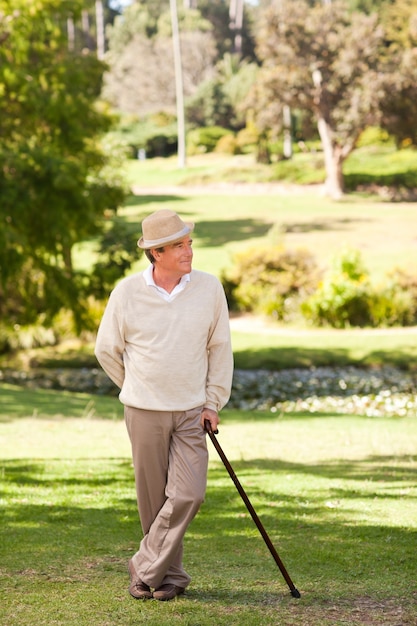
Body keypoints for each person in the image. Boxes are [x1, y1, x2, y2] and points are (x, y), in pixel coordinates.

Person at [95, 209, 233, 601]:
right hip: (143, 411)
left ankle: (142, 566)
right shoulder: (126, 293)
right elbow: (107, 350)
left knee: (189, 493)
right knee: (154, 501)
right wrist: (137, 388)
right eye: (179, 245)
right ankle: (167, 577)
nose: (189, 251)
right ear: (156, 253)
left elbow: (219, 349)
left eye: (188, 242)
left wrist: (212, 401)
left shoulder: (208, 288)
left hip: (192, 411)